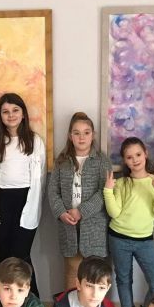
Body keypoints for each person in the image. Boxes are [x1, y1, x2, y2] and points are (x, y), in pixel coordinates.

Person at [0, 93, 47, 296]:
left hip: (26, 202)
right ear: (0, 116)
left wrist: (35, 204)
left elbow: (41, 177)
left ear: (23, 113)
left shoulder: (35, 141)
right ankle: (5, 303)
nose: (11, 115)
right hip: (1, 202)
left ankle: (32, 303)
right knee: (5, 256)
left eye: (15, 110)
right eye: (6, 112)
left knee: (21, 256)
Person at [104, 137, 154, 307]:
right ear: (125, 160)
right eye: (129, 157)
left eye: (138, 154)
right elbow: (114, 213)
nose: (135, 160)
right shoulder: (122, 183)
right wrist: (108, 190)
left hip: (144, 240)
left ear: (145, 154)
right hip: (119, 238)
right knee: (124, 279)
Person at [47, 112, 113, 291]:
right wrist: (61, 213)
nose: (81, 137)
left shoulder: (102, 161)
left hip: (94, 228)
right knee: (72, 273)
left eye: (86, 132)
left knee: (95, 275)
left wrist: (81, 211)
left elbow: (104, 193)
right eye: (76, 133)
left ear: (93, 135)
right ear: (70, 136)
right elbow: (53, 191)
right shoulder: (61, 162)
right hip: (68, 227)